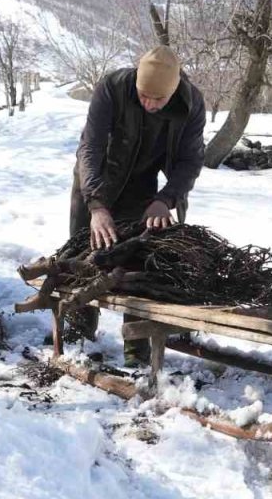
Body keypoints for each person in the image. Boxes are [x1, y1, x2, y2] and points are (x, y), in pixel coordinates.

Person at [68, 45, 206, 367]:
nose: (149, 104)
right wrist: (96, 205)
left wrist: (165, 199)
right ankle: (79, 330)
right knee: (85, 254)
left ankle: (136, 345)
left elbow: (190, 160)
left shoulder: (191, 103)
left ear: (172, 93)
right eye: (144, 96)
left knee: (139, 257)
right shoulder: (112, 88)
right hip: (96, 180)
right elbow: (90, 148)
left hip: (144, 187)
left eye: (158, 100)